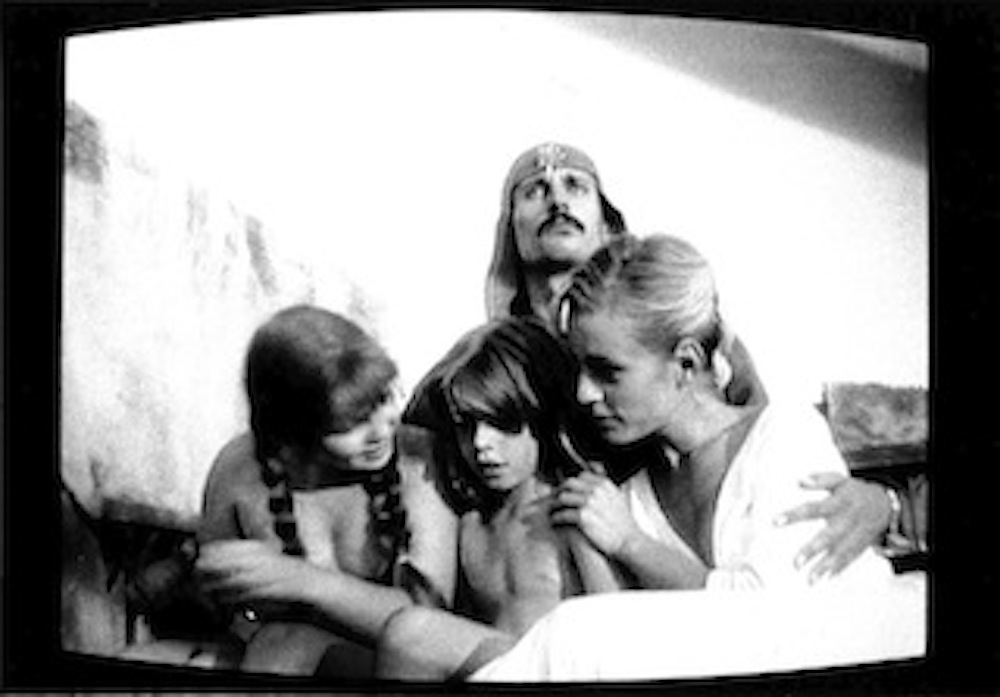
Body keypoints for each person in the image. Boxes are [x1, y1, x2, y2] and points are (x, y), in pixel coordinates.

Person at [457, 233, 923, 682]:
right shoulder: (630, 498)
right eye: (580, 369)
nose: (584, 393)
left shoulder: (783, 435)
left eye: (606, 371)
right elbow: (639, 648)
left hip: (878, 660)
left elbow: (770, 626)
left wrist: (631, 544)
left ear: (686, 362)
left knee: (573, 636)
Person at [481, 141, 904, 579]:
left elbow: (754, 456)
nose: (557, 202)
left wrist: (885, 504)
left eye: (575, 186)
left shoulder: (694, 336)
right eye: (533, 191)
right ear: (510, 229)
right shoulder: (497, 376)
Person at [196, 305, 456, 676]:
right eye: (349, 424)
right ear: (293, 433)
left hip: (398, 667)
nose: (380, 431)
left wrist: (301, 582)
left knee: (288, 645)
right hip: (278, 660)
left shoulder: (418, 463)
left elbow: (430, 626)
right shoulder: (241, 469)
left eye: (382, 401)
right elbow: (220, 603)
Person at [375, 317, 625, 681]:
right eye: (467, 424)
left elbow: (614, 631)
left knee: (410, 633)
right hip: (490, 678)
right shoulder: (471, 521)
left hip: (563, 676)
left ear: (540, 417)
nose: (481, 444)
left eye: (502, 423)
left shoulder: (573, 507)